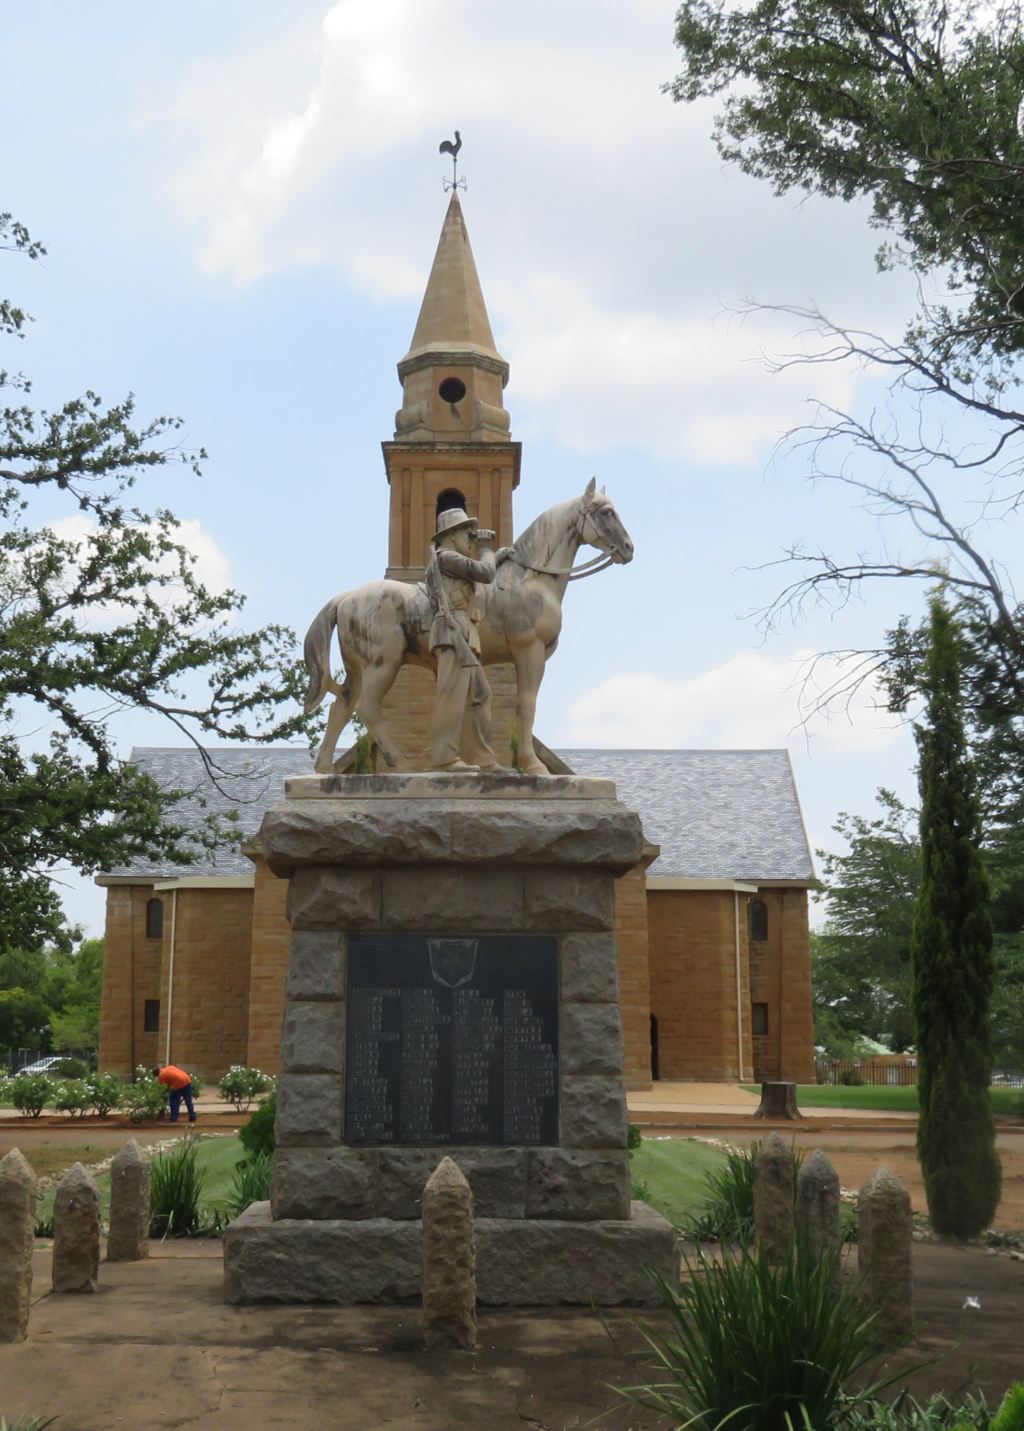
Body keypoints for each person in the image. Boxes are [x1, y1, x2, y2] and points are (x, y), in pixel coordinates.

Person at [424, 508, 504, 772]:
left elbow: (481, 569)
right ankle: (444, 758)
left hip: (464, 631)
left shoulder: (451, 560)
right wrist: (485, 547)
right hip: (452, 632)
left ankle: (483, 758)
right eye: (465, 532)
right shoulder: (445, 557)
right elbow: (485, 572)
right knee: (452, 697)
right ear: (449, 535)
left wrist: (492, 555)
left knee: (481, 695)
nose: (469, 538)